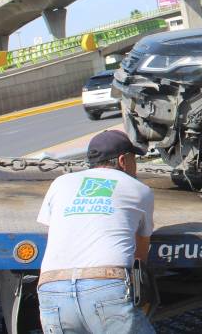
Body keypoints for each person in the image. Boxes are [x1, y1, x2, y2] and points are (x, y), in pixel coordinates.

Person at [36, 129, 155, 333]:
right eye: (134, 158)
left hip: (52, 289)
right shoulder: (139, 189)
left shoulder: (60, 183)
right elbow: (140, 257)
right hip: (105, 286)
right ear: (123, 160)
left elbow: (54, 231)